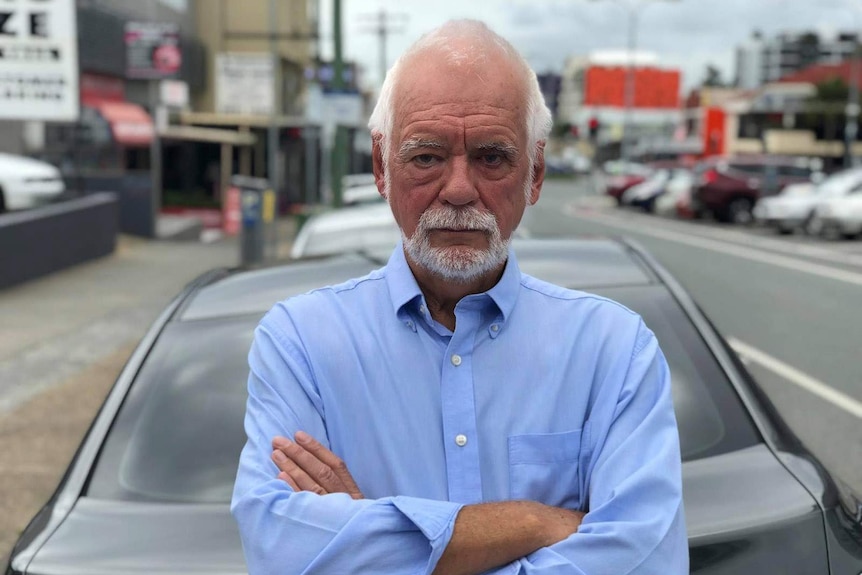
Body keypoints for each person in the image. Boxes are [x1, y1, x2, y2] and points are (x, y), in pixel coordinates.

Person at [232, 19, 687, 575]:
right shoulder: (300, 344)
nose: (458, 189)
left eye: (492, 157)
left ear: (536, 173)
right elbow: (281, 552)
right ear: (381, 167)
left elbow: (645, 564)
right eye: (426, 156)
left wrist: (366, 538)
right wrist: (532, 522)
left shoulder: (615, 353)